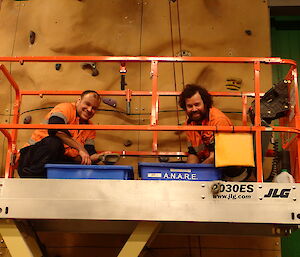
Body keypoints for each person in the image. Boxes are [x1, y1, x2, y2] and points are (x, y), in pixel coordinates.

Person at [18, 90, 104, 178]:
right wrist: (80, 148)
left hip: (54, 161)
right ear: (78, 101)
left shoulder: (90, 128)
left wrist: (100, 157)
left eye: (94, 108)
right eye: (87, 104)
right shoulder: (65, 108)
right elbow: (55, 130)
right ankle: (30, 179)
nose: (90, 110)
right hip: (30, 160)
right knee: (54, 142)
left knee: (87, 167)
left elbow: (89, 152)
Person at [179, 84, 233, 164]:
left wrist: (198, 173)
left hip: (228, 169)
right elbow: (193, 153)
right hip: (207, 167)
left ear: (205, 103)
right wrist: (190, 173)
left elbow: (215, 157)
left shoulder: (219, 121)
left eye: (197, 105)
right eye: (190, 106)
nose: (194, 109)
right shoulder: (190, 124)